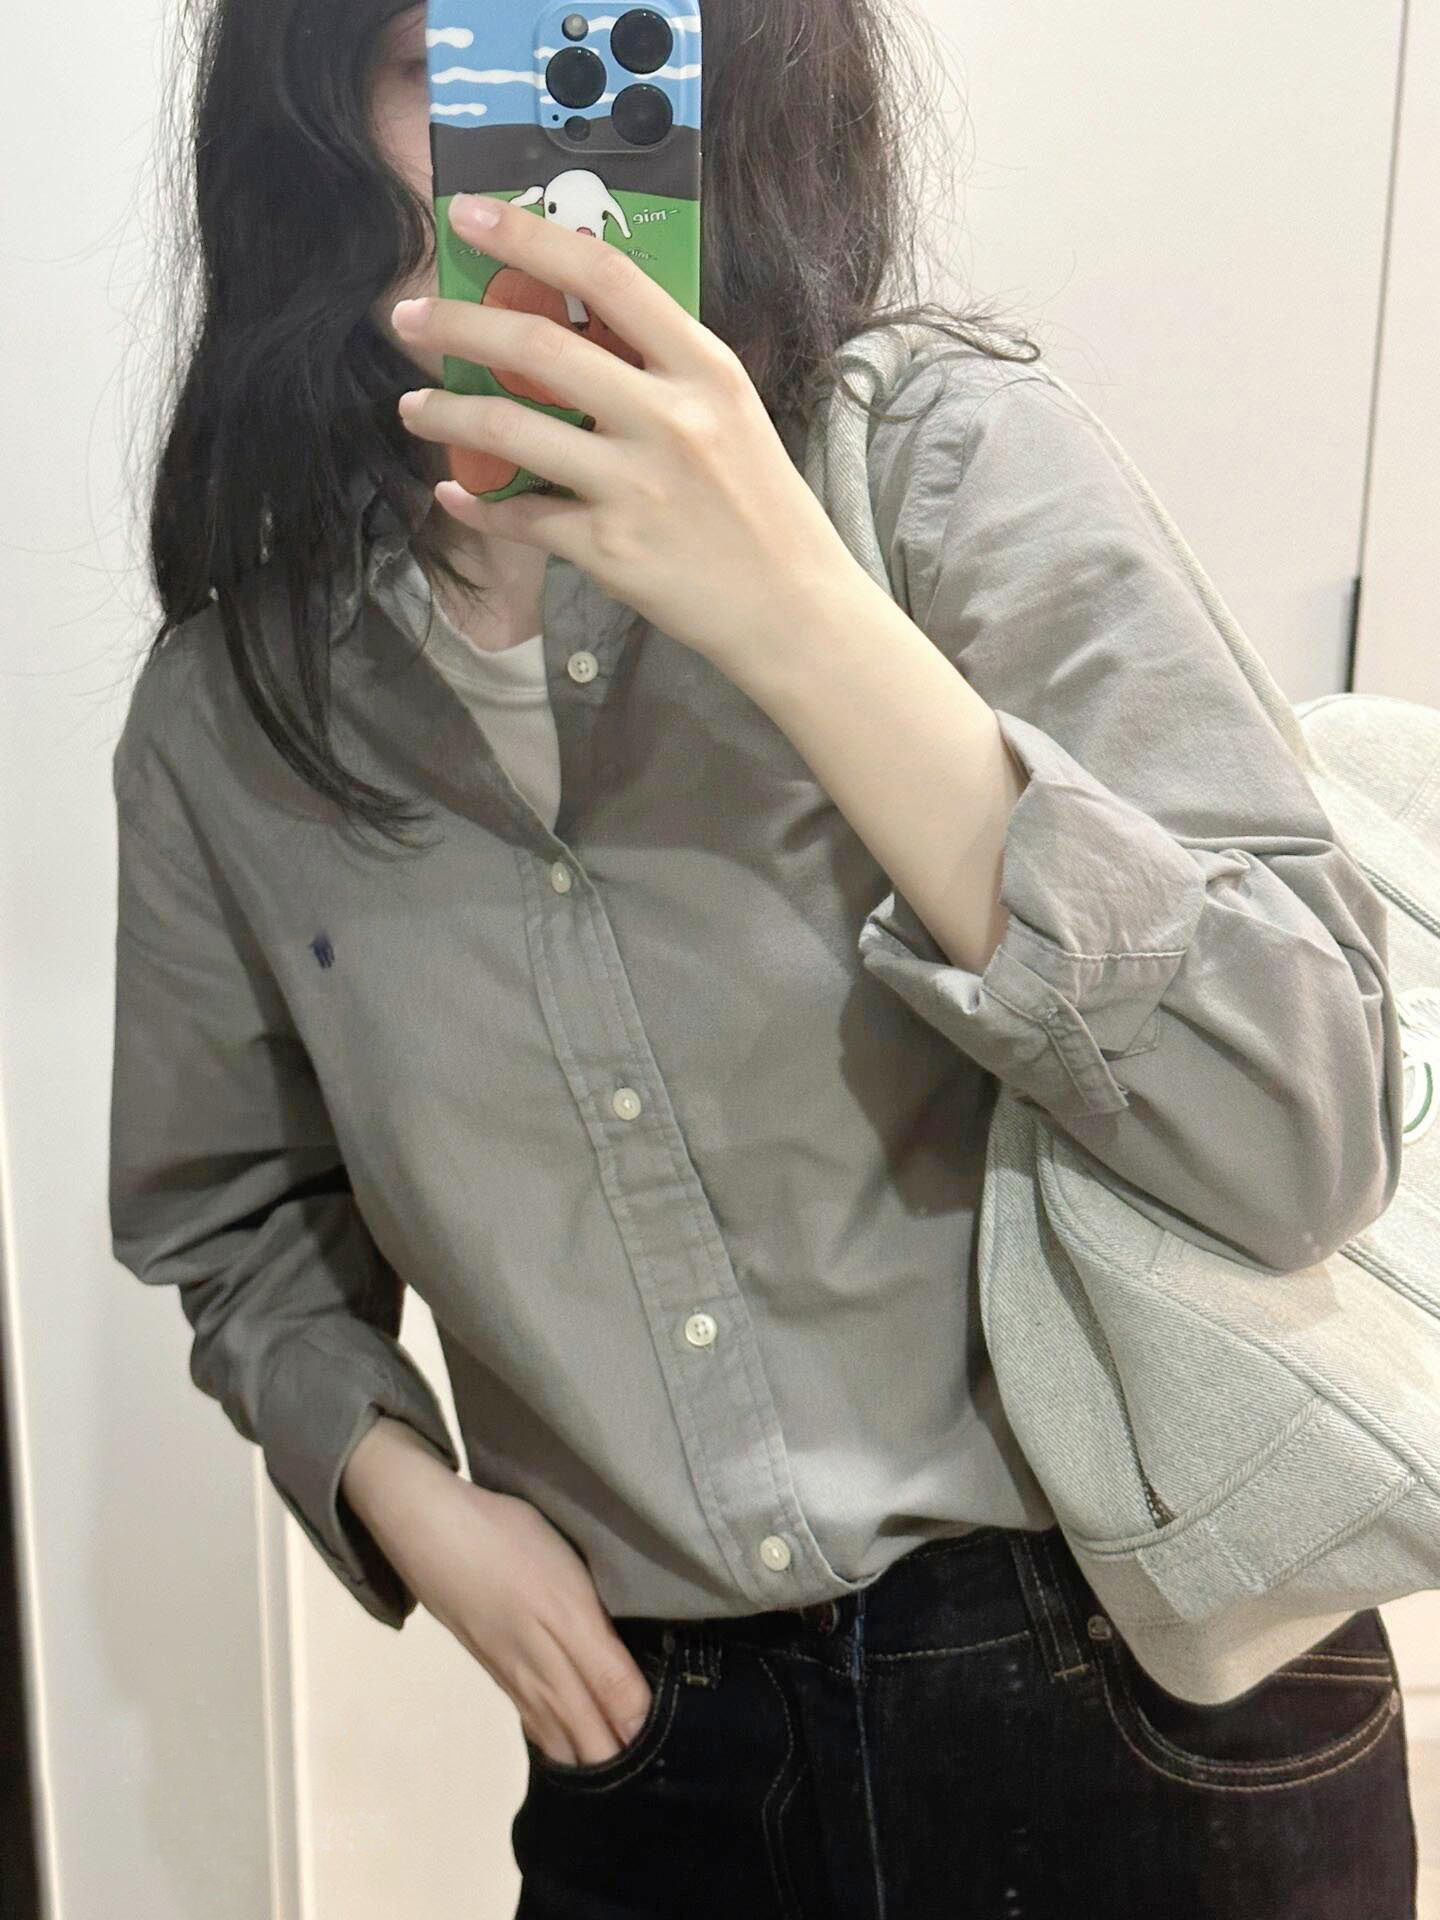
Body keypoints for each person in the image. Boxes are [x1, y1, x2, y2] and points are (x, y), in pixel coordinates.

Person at [109, 2, 1420, 1913]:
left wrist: (802, 613)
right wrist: (408, 1499)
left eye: (606, 44)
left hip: (1144, 1680)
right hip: (663, 1754)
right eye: (442, 59)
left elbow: (1305, 1132)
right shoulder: (235, 711)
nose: (533, 135)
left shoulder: (945, 457)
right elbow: (231, 1222)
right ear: (304, 119)